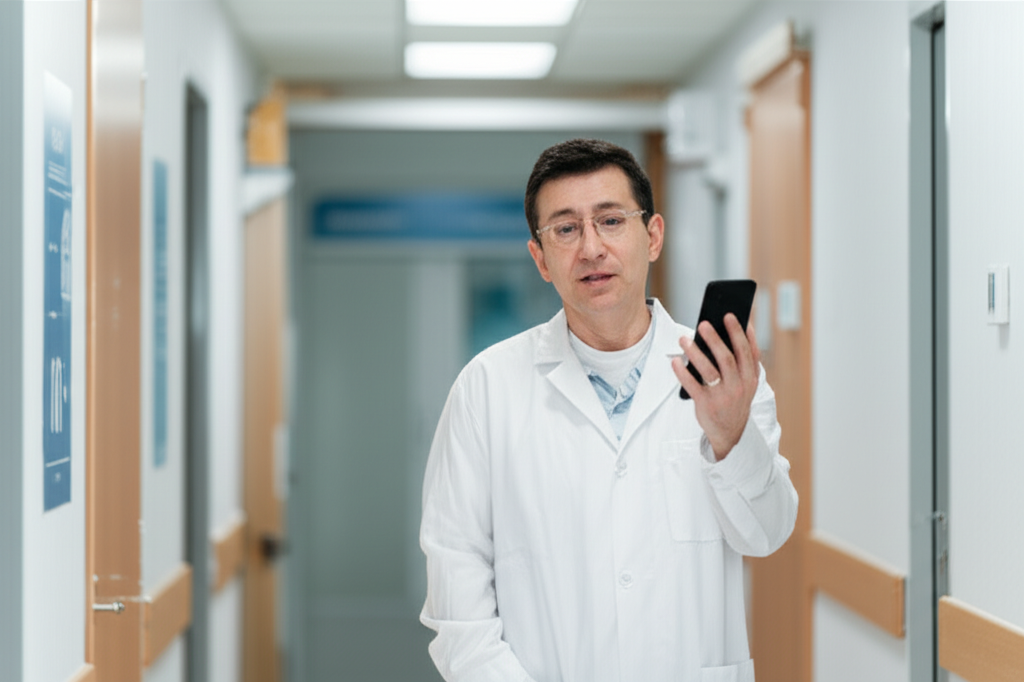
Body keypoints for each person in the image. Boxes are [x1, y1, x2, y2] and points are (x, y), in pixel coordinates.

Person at [419, 138, 798, 682]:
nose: (591, 247)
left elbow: (768, 534)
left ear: (653, 236)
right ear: (540, 258)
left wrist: (732, 440)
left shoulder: (724, 376)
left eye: (611, 220)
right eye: (566, 229)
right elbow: (458, 599)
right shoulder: (486, 387)